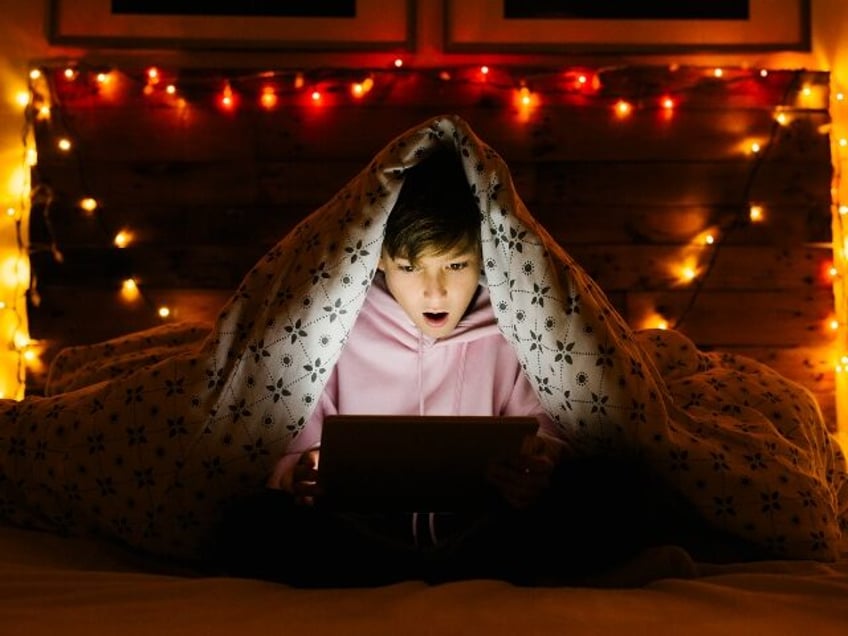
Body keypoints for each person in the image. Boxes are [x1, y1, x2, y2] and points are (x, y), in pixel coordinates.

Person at [213, 147, 756, 587]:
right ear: (379, 260)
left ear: (482, 259)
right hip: (364, 529)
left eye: (455, 265)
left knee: (619, 488)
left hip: (484, 527)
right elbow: (295, 445)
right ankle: (480, 574)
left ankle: (431, 571)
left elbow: (546, 425)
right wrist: (303, 473)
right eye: (410, 268)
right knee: (247, 525)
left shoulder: (514, 323)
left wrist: (539, 464)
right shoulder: (336, 325)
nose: (434, 290)